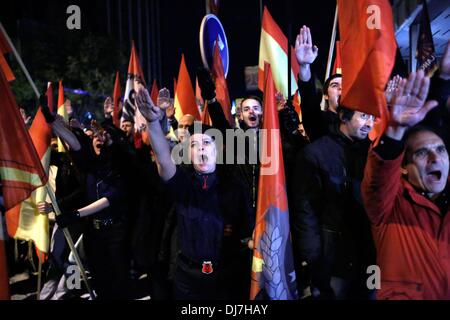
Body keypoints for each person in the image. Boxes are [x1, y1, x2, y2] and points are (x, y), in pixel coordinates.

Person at [135, 87, 253, 300]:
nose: (200, 149)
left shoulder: (233, 185)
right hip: (187, 278)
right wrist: (153, 123)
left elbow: (248, 226)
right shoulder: (183, 182)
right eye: (194, 145)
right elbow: (163, 160)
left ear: (217, 151)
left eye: (206, 143)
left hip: (226, 275)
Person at [361, 69, 450, 300]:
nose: (435, 158)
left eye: (441, 150)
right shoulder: (387, 205)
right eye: (422, 153)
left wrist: (445, 78)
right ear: (402, 166)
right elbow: (379, 176)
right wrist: (396, 129)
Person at [291, 103, 376, 299]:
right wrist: (313, 256)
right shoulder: (315, 153)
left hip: (370, 255)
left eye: (373, 118)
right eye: (364, 116)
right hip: (332, 256)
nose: (369, 124)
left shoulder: (374, 152)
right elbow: (305, 209)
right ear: (343, 116)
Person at [295, 25, 342, 141]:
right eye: (335, 85)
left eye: (345, 85)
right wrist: (304, 66)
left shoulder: (359, 123)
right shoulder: (319, 121)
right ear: (325, 95)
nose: (341, 88)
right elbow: (308, 98)